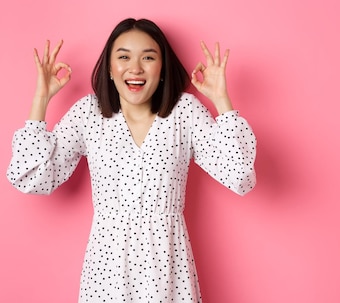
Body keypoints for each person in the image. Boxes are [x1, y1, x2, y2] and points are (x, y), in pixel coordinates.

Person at [6, 18, 257, 302]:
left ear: (162, 69)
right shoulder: (89, 113)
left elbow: (240, 175)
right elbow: (32, 177)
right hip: (106, 272)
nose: (135, 68)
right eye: (123, 56)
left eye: (148, 57)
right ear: (110, 69)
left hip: (168, 269)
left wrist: (221, 100)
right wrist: (41, 98)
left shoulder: (184, 111)